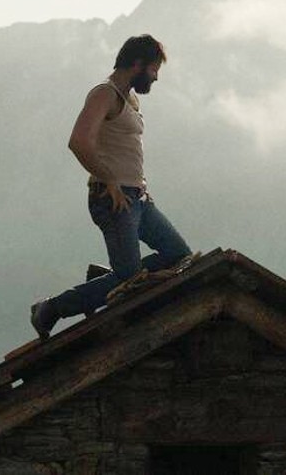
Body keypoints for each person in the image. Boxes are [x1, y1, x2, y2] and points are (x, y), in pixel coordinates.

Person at [30, 34, 192, 339]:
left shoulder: (130, 98)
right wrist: (111, 181)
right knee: (129, 282)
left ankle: (107, 278)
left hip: (138, 198)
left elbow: (123, 148)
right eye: (154, 69)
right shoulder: (104, 94)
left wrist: (139, 186)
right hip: (113, 198)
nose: (156, 77)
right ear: (138, 63)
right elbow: (79, 142)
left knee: (179, 256)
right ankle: (51, 309)